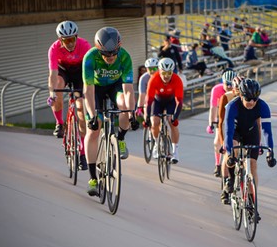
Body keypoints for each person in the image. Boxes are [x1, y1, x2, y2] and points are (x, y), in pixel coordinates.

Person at [82, 27, 137, 196]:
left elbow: (128, 90)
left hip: (115, 87)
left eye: (114, 54)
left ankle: (120, 139)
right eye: (106, 55)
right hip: (96, 90)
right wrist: (92, 116)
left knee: (125, 108)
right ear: (99, 50)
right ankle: (92, 179)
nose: (111, 58)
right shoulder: (90, 58)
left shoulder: (125, 57)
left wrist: (131, 114)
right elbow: (88, 91)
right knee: (94, 130)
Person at [223, 79, 277, 205]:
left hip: (251, 131)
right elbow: (228, 132)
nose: (252, 102)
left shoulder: (263, 106)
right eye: (248, 99)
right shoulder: (232, 106)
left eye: (255, 99)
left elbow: (267, 131)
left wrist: (270, 152)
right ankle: (231, 179)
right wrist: (230, 152)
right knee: (233, 150)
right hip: (235, 130)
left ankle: (252, 203)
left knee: (253, 166)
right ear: (241, 95)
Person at [47, 20, 91, 170]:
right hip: (63, 71)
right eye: (66, 40)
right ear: (60, 40)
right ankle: (59, 123)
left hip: (80, 72)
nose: (70, 43)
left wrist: (88, 92)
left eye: (73, 39)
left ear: (77, 37)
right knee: (58, 87)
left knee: (81, 110)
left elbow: (89, 73)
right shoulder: (54, 49)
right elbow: (52, 74)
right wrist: (52, 93)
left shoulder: (85, 46)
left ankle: (83, 154)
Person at [145, 58, 183, 164]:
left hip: (171, 101)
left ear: (173, 72)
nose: (166, 76)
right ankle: (157, 144)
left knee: (172, 123)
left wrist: (175, 117)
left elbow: (179, 102)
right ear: (159, 71)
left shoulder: (177, 80)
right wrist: (147, 117)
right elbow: (149, 101)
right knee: (154, 122)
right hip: (157, 101)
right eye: (163, 73)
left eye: (169, 73)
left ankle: (175, 151)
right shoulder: (154, 79)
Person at [218, 75, 243, 204]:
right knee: (229, 154)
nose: (239, 92)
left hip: (243, 128)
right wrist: (223, 142)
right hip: (229, 128)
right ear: (233, 90)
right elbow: (221, 122)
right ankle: (226, 183)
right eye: (237, 90)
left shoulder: (248, 97)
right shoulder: (226, 98)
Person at [207, 69, 237, 178]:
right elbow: (213, 107)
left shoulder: (237, 89)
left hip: (235, 116)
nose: (229, 87)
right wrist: (211, 123)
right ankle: (218, 164)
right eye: (227, 84)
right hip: (222, 115)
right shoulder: (217, 89)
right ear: (222, 82)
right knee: (217, 142)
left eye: (231, 84)